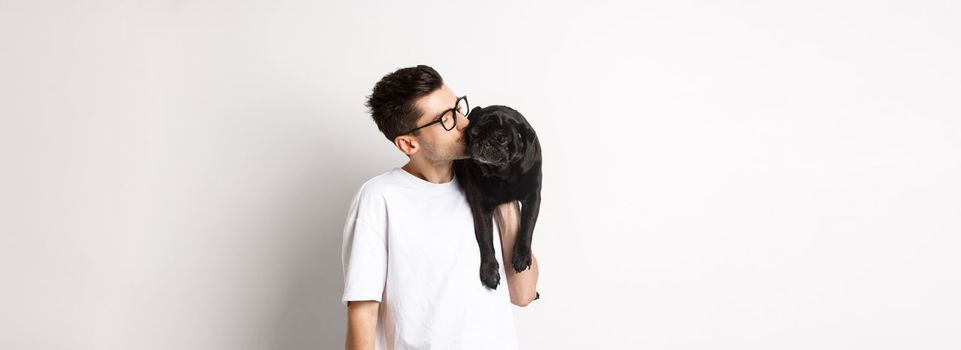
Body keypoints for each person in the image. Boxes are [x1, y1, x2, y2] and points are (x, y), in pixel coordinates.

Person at [342, 65, 540, 350]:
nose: (464, 123)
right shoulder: (380, 198)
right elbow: (363, 313)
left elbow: (523, 293)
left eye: (458, 108)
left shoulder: (485, 185)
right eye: (446, 119)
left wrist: (504, 194)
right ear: (408, 143)